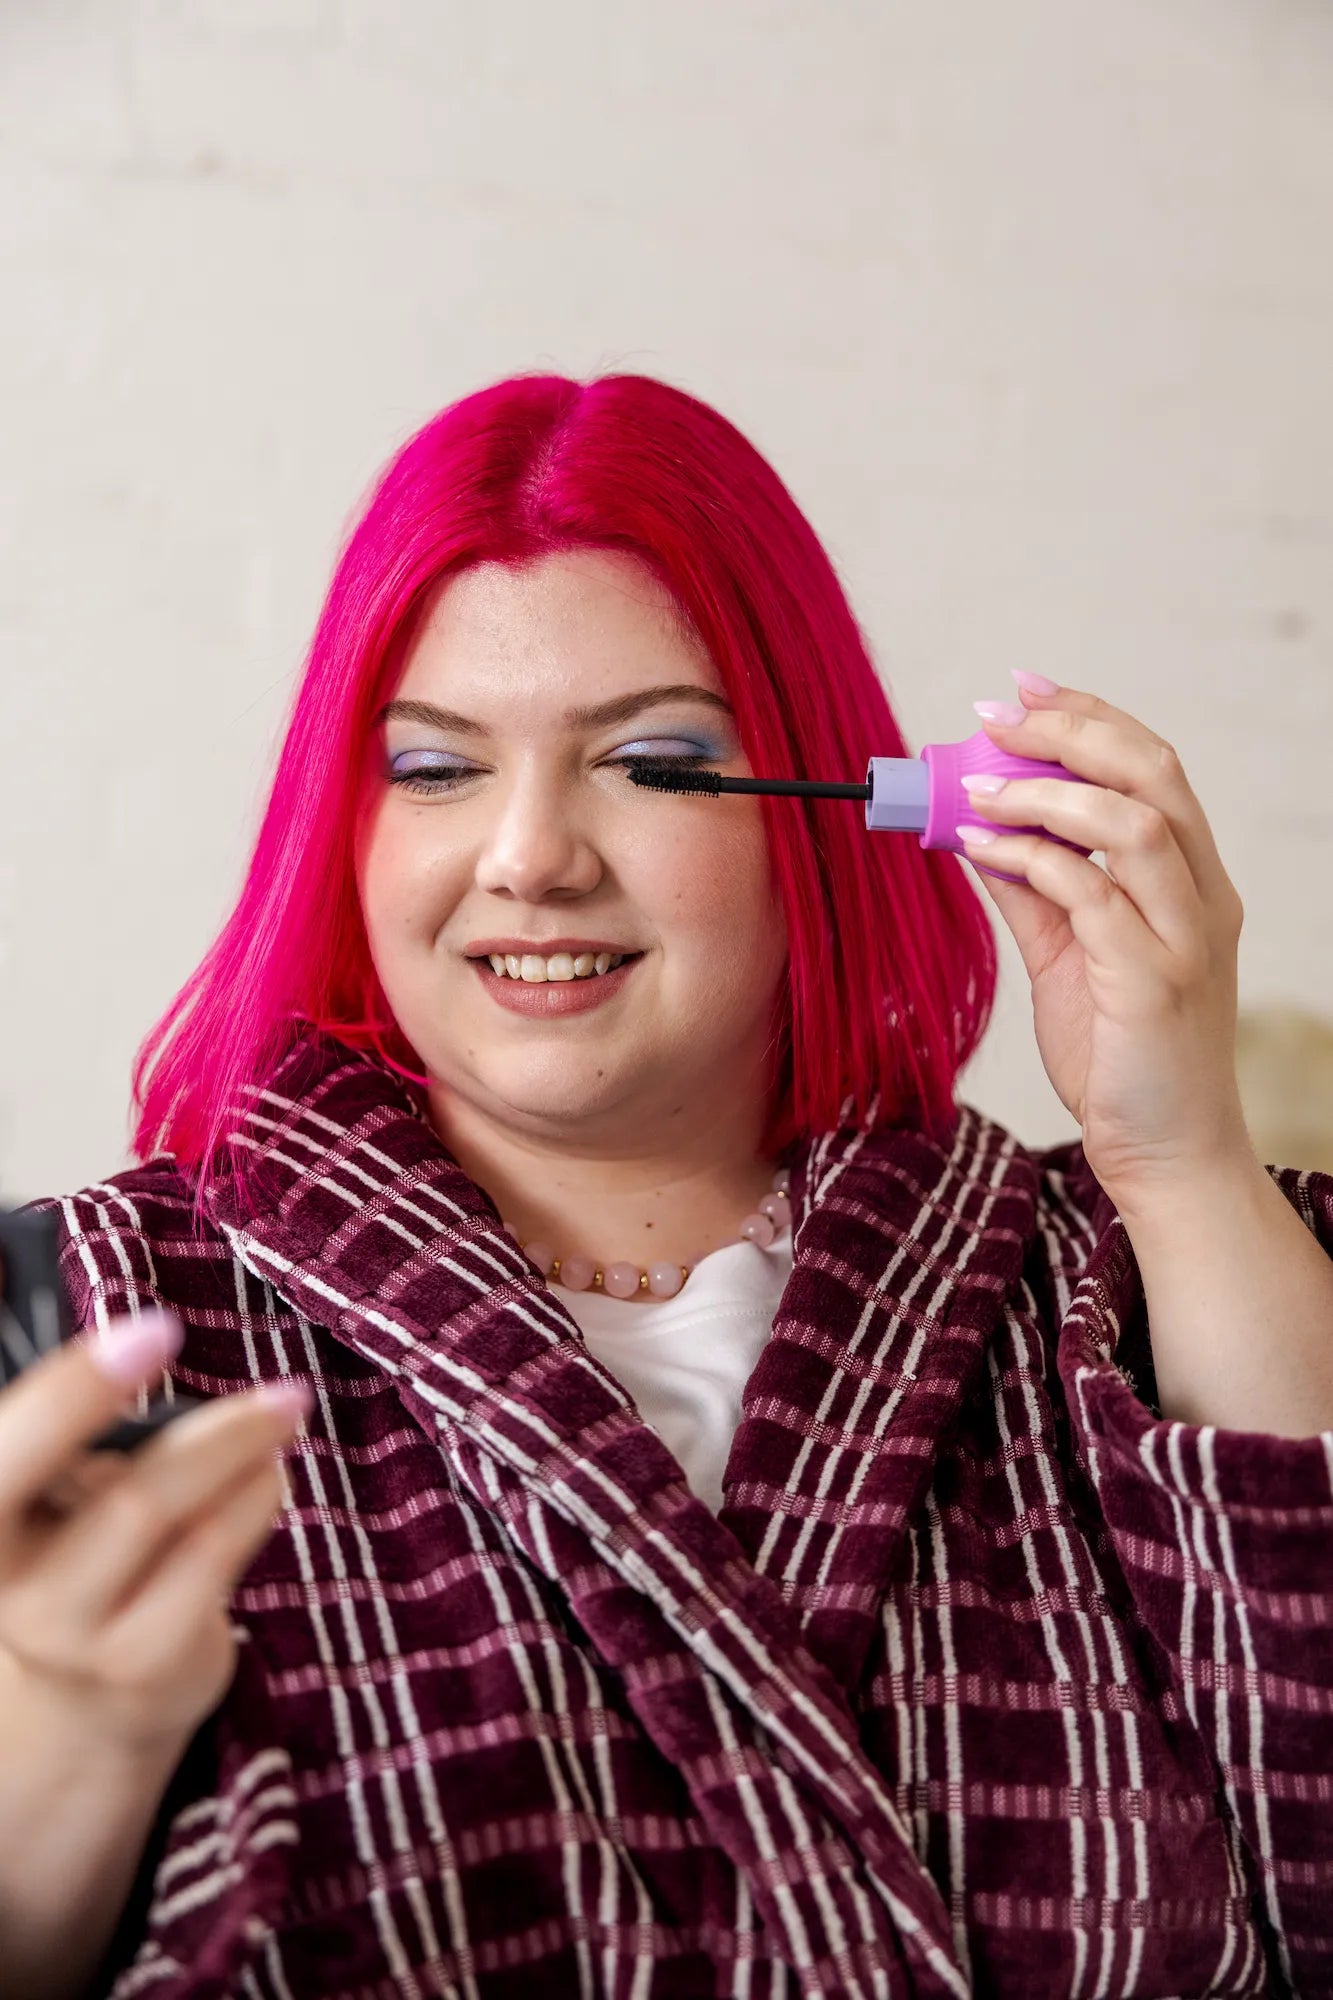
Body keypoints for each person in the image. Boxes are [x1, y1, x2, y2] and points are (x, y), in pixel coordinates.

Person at [1, 373, 1331, 2000]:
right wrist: (65, 1752)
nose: (529, 855)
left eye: (647, 759)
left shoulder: (1117, 1288)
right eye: (433, 770)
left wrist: (1176, 1152)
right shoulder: (77, 1337)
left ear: (820, 818)